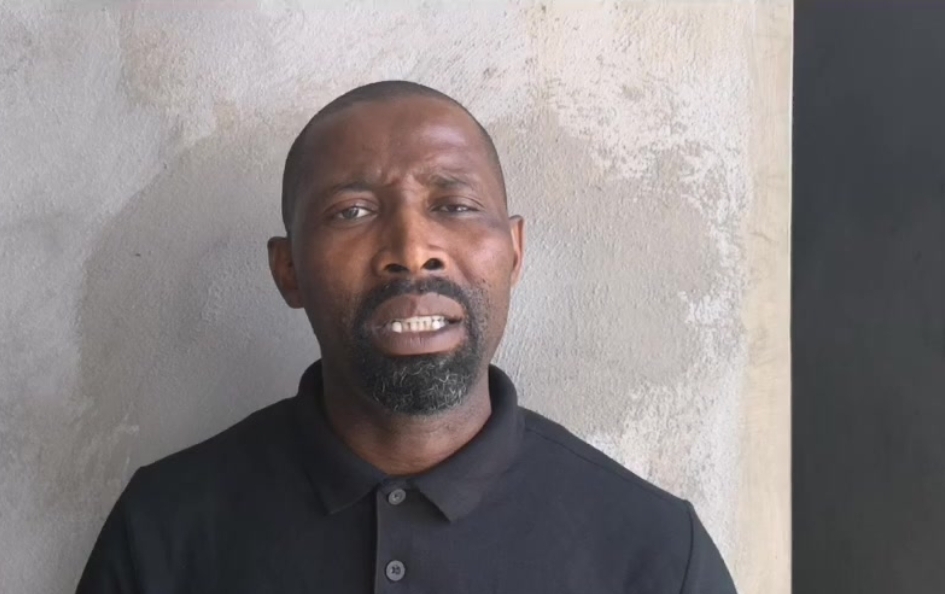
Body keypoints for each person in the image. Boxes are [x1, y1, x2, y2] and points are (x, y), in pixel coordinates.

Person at [76, 81, 738, 593]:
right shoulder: (163, 528)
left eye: (454, 206)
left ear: (513, 252)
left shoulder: (653, 550)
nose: (412, 249)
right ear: (288, 270)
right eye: (352, 211)